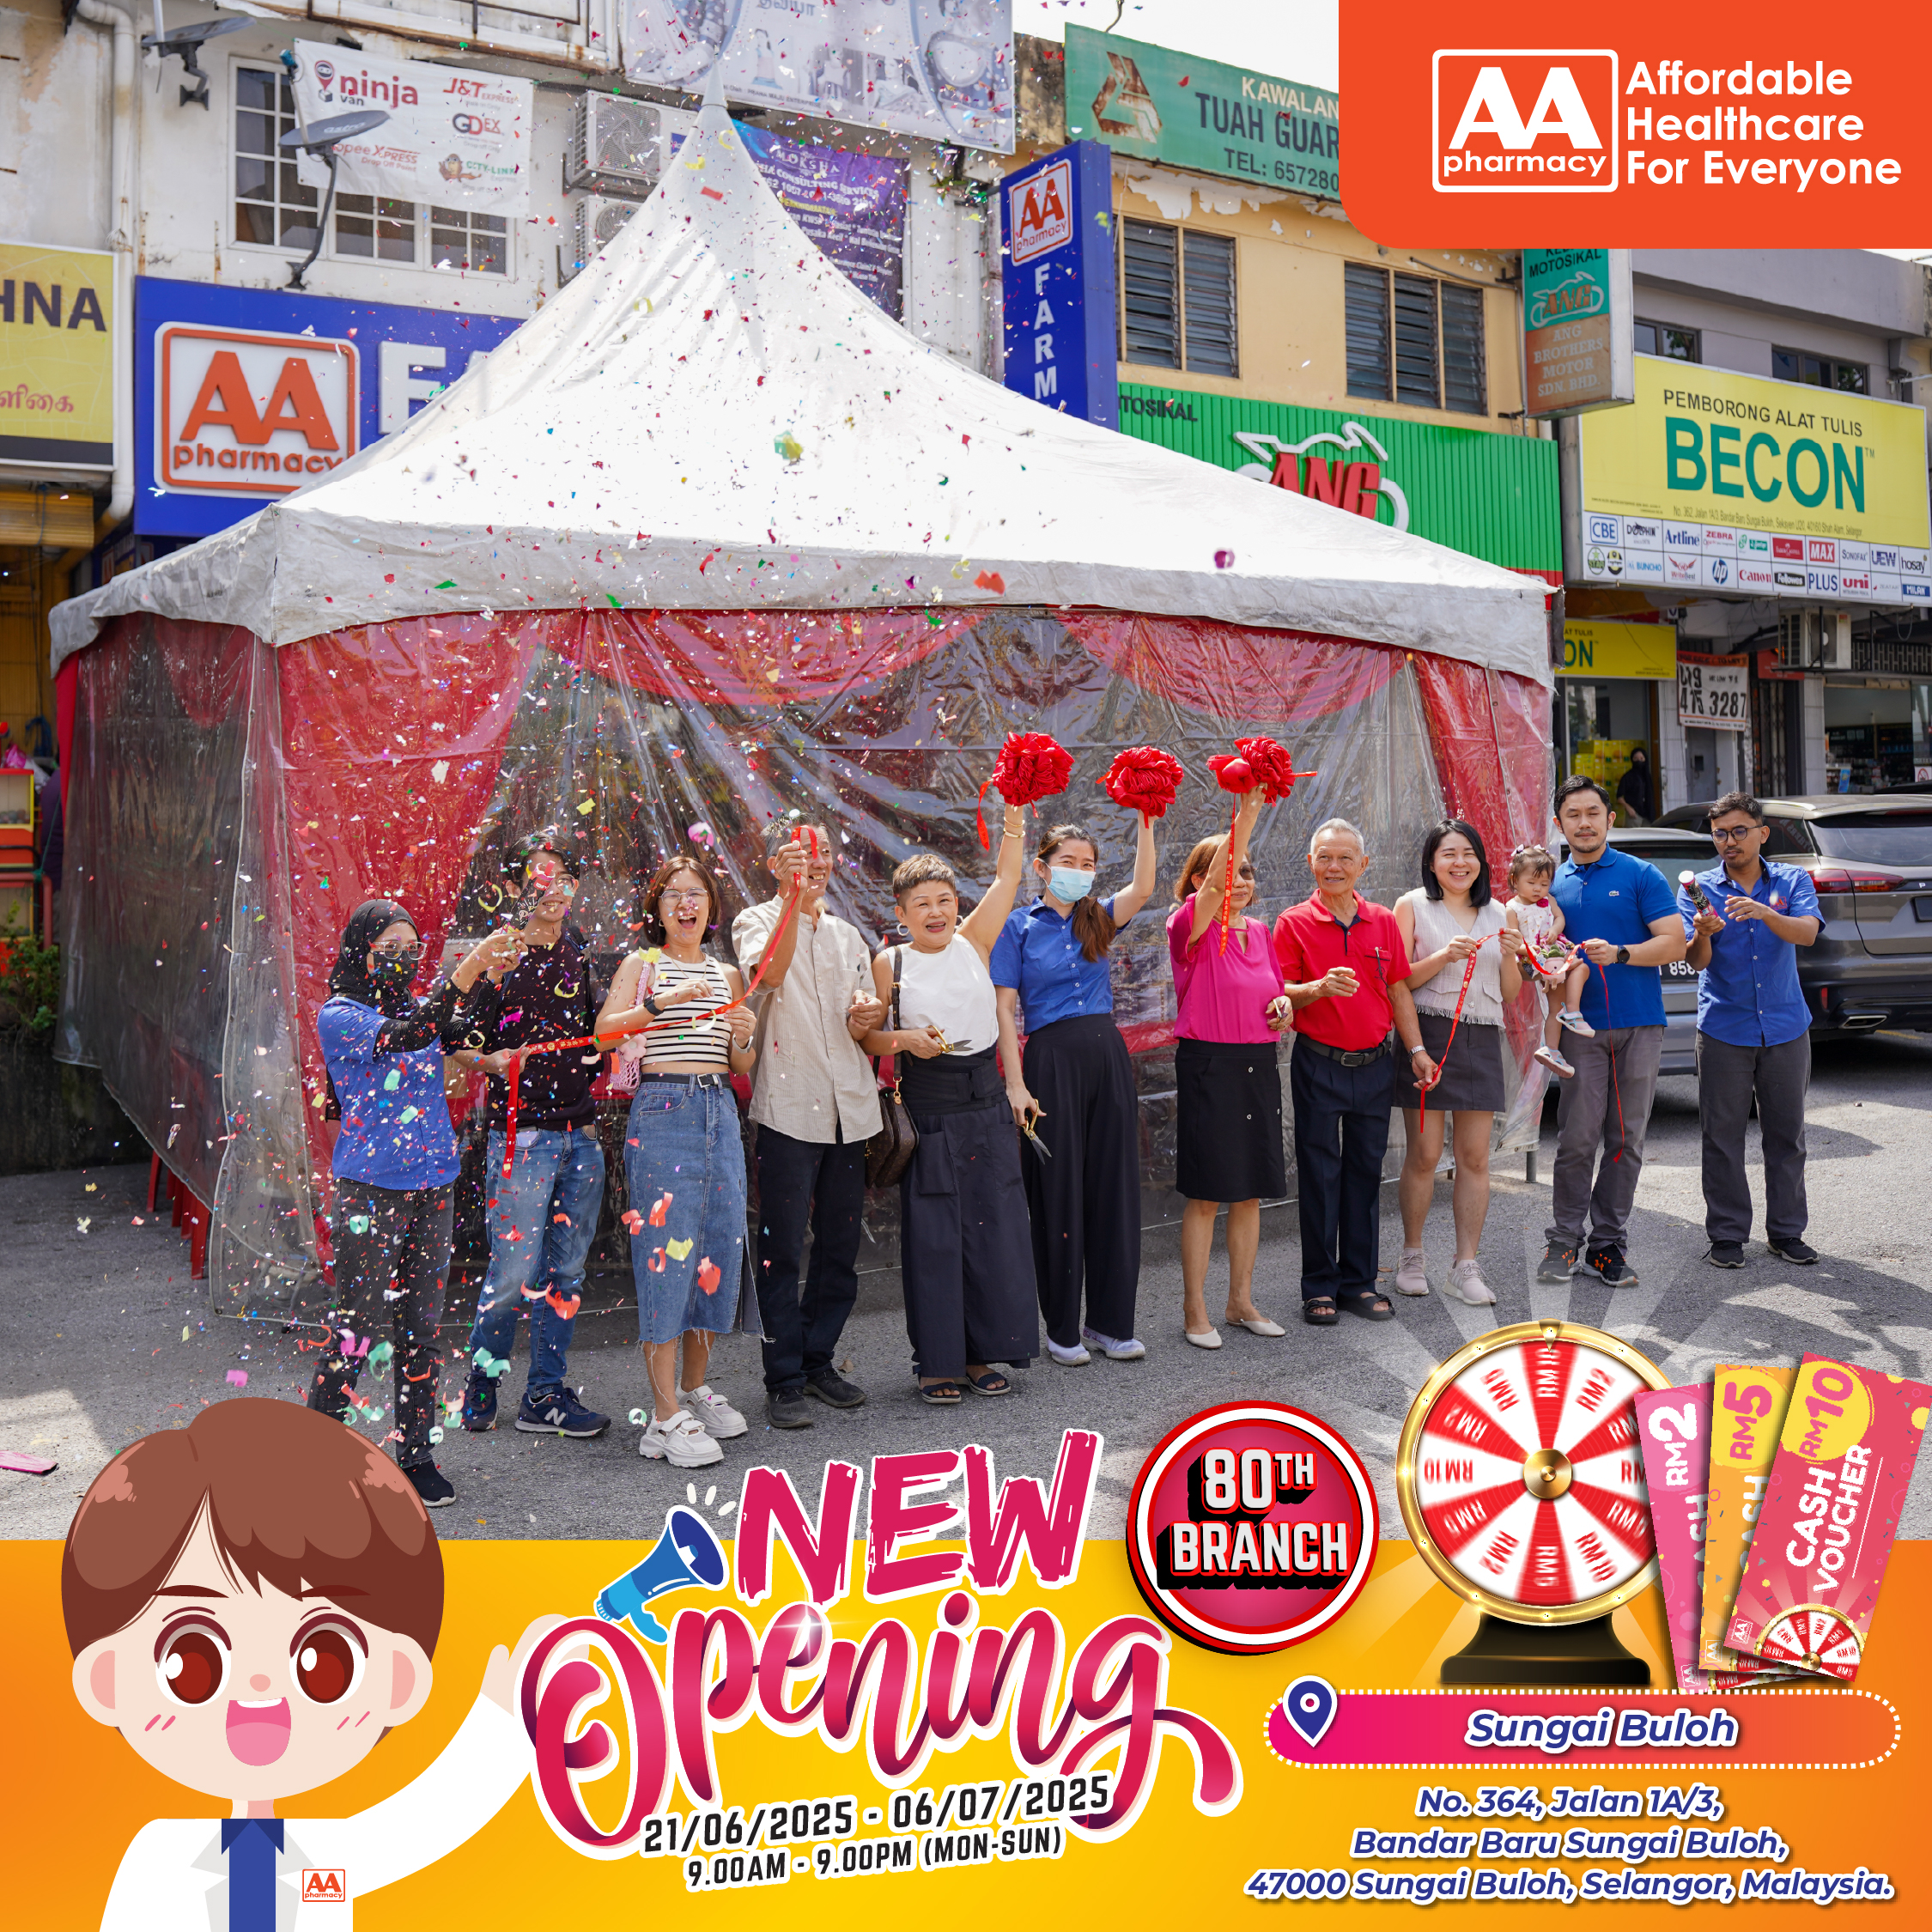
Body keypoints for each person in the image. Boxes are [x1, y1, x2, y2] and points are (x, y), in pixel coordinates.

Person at [64, 1400, 551, 1929]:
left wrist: (507, 1721)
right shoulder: (161, 1858)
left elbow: (423, 1824)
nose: (260, 1685)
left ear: (400, 1678)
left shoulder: (325, 1857)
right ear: (106, 1679)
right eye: (192, 1661)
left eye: (325, 1664)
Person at [309, 899, 516, 1508]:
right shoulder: (340, 1015)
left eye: (410, 949)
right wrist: (469, 966)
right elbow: (413, 1035)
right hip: (371, 1188)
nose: (403, 959)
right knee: (356, 1326)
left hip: (434, 1186)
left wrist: (489, 984)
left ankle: (417, 1455)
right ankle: (311, 1456)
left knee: (421, 1330)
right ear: (362, 950)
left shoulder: (418, 1006)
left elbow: (454, 1030)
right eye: (390, 949)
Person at [867, 793, 1036, 1402]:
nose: (935, 912)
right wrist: (905, 1039)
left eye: (944, 900)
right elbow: (868, 1037)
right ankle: (936, 1364)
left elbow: (1009, 876)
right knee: (936, 1237)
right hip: (930, 1106)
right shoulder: (890, 962)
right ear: (901, 913)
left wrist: (1014, 810)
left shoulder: (974, 942)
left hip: (986, 1101)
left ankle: (979, 1355)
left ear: (957, 904)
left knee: (993, 1231)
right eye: (921, 904)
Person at [598, 853, 757, 1467]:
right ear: (657, 910)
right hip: (664, 1109)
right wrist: (661, 1003)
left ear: (711, 907)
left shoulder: (728, 973)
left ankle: (692, 1390)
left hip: (720, 1109)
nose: (685, 904)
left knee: (717, 1250)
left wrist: (743, 1035)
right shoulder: (643, 964)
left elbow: (740, 1064)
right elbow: (605, 1033)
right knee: (666, 1256)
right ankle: (662, 1418)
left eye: (696, 893)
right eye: (673, 895)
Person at [450, 834, 611, 1440]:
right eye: (540, 877)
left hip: (581, 1137)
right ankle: (483, 1379)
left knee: (566, 1274)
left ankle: (544, 1393)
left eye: (564, 877)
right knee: (511, 1275)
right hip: (521, 1140)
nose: (554, 889)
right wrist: (489, 1061)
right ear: (515, 887)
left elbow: (596, 1032)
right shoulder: (498, 955)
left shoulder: (579, 949)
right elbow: (456, 1040)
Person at [732, 818, 885, 1431]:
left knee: (840, 1247)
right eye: (800, 853)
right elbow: (769, 976)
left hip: (850, 1107)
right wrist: (793, 899)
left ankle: (819, 1359)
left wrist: (867, 1015)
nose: (814, 862)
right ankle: (783, 1378)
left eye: (822, 853)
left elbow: (863, 1026)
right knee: (782, 1249)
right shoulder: (755, 921)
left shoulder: (849, 936)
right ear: (775, 863)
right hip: (789, 1109)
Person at [993, 812, 1157, 1364]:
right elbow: (1004, 1010)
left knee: (1114, 1186)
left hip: (1107, 1054)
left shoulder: (1099, 917)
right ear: (1042, 868)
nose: (1080, 872)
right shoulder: (1018, 927)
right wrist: (1016, 1085)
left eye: (1088, 864)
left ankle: (1110, 1324)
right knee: (1057, 1191)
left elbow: (1144, 887)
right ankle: (1061, 1328)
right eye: (1068, 862)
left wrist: (1146, 819)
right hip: (1050, 1060)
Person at [1273, 818, 1431, 1326]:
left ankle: (1359, 1282)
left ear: (1363, 864)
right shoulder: (1292, 922)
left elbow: (1398, 989)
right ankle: (1319, 1286)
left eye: (1345, 858)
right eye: (1325, 857)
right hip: (1319, 1062)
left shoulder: (1382, 920)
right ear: (1311, 863)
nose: (1334, 866)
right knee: (1320, 1175)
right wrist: (1318, 988)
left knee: (1366, 1171)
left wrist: (1417, 1050)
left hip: (1375, 1064)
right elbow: (1280, 991)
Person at [1537, 776, 1687, 1290]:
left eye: (1592, 813)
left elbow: (1674, 943)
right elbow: (1541, 951)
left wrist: (1621, 953)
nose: (1584, 823)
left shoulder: (1640, 874)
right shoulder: (1549, 886)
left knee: (1626, 1140)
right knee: (1576, 1138)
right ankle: (1564, 1240)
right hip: (1579, 1028)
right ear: (1559, 824)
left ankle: (1607, 1246)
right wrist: (1541, 967)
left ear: (1610, 819)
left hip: (1639, 1024)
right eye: (1573, 815)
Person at [1166, 789, 1291, 1346]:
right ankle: (1195, 1310)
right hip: (1208, 1065)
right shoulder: (1187, 926)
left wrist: (1285, 1005)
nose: (1239, 880)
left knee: (1249, 1192)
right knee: (1207, 1194)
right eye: (1229, 870)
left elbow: (1274, 996)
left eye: (1248, 871)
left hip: (1257, 1063)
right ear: (1200, 880)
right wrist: (1249, 809)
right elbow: (1216, 890)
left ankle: (1240, 1302)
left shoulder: (1261, 932)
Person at [1680, 790, 1822, 1268]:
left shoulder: (1791, 879)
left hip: (1786, 1026)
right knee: (1721, 1136)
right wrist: (1702, 934)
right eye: (1720, 834)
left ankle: (1786, 1232)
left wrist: (1766, 913)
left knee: (1787, 1135)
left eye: (1739, 831)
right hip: (1724, 1027)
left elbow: (1807, 933)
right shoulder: (1698, 888)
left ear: (1762, 833)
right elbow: (1696, 961)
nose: (1729, 841)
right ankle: (1726, 1236)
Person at [1391, 820, 1522, 1308]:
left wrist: (1511, 957)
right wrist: (1443, 957)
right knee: (1425, 1155)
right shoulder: (1411, 905)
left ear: (1481, 862)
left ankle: (1465, 1265)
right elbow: (1396, 980)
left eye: (1468, 853)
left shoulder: (1501, 913)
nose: (1460, 862)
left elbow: (1510, 993)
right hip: (1426, 1032)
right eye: (1448, 854)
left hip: (1482, 1036)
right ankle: (1412, 1256)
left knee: (1475, 1158)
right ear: (1431, 862)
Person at [1503, 845, 1595, 1078]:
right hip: (1531, 959)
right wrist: (1527, 949)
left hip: (1553, 953)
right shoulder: (1512, 908)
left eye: (1544, 884)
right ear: (1514, 880)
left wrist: (1554, 929)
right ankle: (1572, 1012)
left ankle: (1552, 1048)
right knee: (1578, 968)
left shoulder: (1548, 900)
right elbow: (1513, 939)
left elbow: (1560, 917)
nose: (1538, 889)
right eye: (1532, 883)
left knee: (1560, 1000)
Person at [1617, 747, 1656, 826]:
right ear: (1632, 760)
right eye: (1636, 758)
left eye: (1641, 758)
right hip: (1633, 815)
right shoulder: (1628, 776)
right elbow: (1619, 797)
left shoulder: (1647, 777)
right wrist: (1628, 808)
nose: (1639, 761)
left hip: (1648, 816)